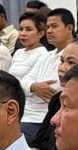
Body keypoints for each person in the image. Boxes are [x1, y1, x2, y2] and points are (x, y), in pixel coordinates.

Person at [9, 10, 58, 138]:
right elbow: (12, 82)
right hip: (16, 105)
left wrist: (29, 86)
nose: (23, 33)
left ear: (41, 33)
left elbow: (40, 89)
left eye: (29, 29)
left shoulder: (43, 54)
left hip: (34, 113)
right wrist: (30, 86)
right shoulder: (18, 52)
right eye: (21, 29)